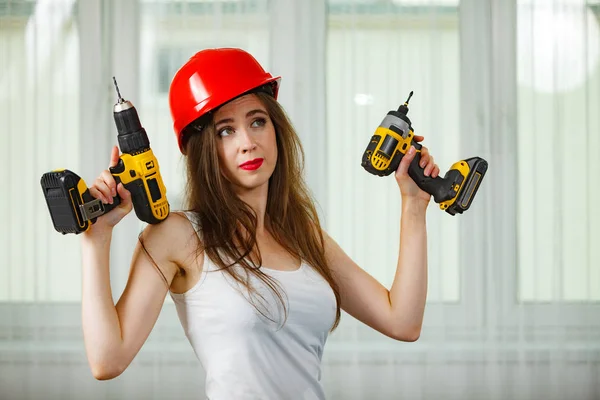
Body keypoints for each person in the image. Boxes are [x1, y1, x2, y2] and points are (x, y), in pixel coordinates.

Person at [81, 47, 440, 399]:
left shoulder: (304, 236)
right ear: (203, 148)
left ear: (275, 130)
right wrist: (96, 241)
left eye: (257, 122)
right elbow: (107, 360)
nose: (248, 143)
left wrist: (413, 204)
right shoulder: (176, 235)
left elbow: (403, 322)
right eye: (226, 131)